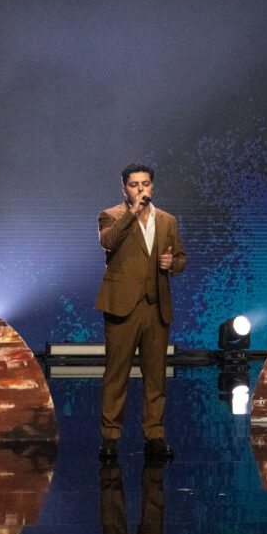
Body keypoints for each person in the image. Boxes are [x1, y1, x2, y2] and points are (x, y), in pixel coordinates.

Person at [96, 163, 186, 462]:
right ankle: (110, 438)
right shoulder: (111, 215)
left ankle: (155, 435)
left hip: (156, 306)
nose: (141, 189)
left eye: (145, 184)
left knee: (156, 376)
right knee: (116, 375)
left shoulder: (167, 220)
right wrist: (132, 212)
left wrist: (171, 264)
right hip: (122, 306)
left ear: (153, 186)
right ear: (124, 188)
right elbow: (108, 242)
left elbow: (181, 258)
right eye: (134, 185)